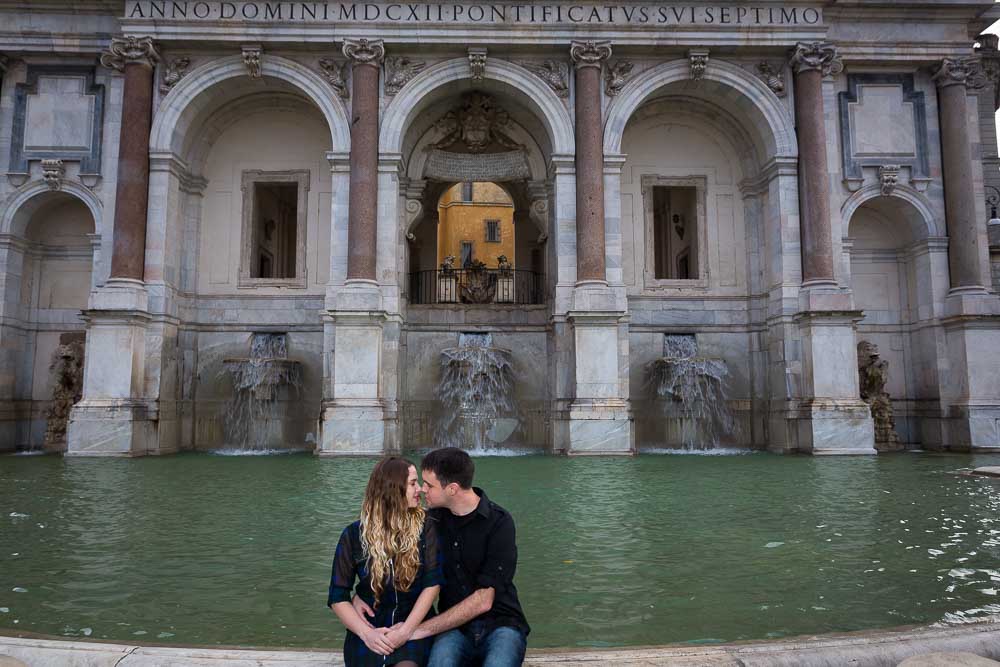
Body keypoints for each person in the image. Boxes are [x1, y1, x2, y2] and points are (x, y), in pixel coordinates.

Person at [355, 448, 529, 667]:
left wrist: (414, 631)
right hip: (452, 629)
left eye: (429, 485)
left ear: (452, 489)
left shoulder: (499, 522)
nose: (422, 490)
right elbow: (388, 550)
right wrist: (363, 593)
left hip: (501, 625)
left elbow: (484, 600)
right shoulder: (428, 522)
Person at [328, 457, 444, 667]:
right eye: (412, 483)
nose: (419, 489)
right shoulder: (354, 534)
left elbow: (432, 584)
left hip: (413, 624)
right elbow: (337, 596)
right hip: (369, 628)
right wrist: (367, 634)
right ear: (393, 489)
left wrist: (406, 631)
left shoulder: (426, 527)